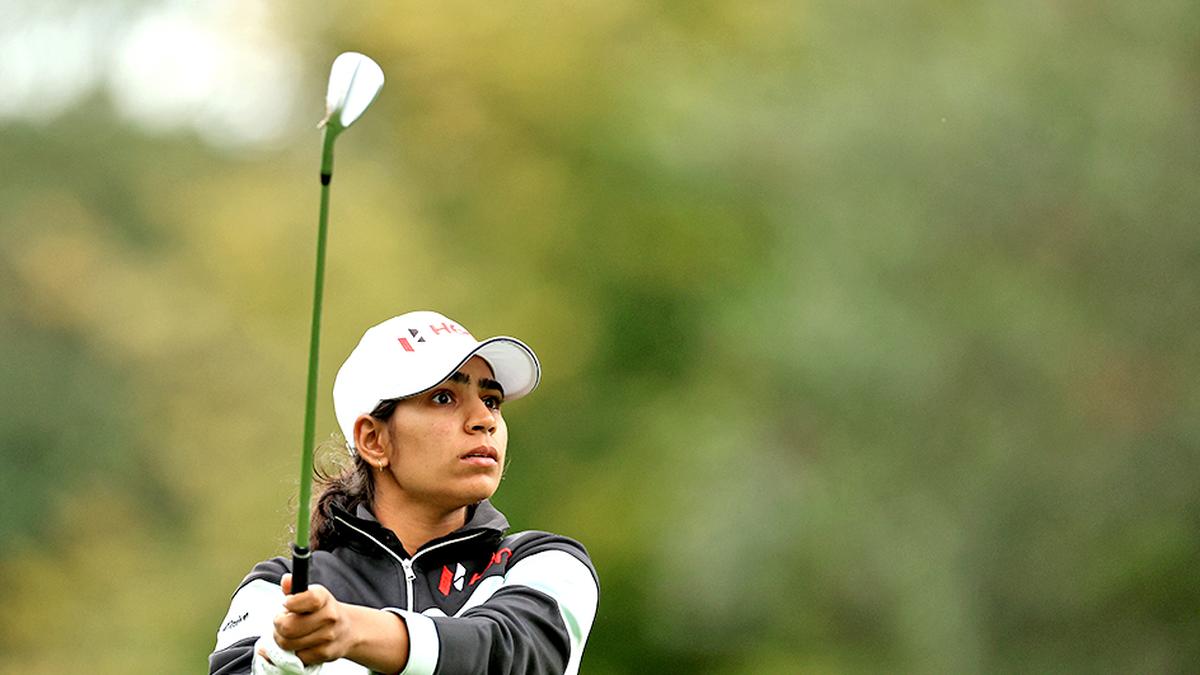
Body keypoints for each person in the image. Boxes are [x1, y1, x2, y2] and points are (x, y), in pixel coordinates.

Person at [209, 310, 599, 675]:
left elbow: (509, 652)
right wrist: (278, 663)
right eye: (443, 398)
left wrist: (353, 631)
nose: (484, 420)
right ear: (374, 440)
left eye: (491, 401)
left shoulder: (546, 564)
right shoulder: (279, 589)